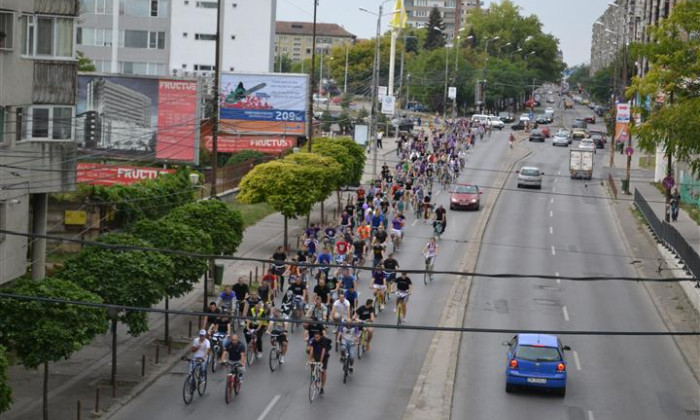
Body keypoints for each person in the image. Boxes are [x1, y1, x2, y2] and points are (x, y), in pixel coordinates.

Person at [307, 331, 330, 395]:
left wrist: (320, 361)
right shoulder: (313, 340)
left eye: (317, 337)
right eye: (315, 337)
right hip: (316, 354)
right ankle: (314, 374)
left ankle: (322, 387)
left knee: (323, 372)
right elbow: (311, 350)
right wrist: (309, 360)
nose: (316, 339)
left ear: (320, 336)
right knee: (312, 363)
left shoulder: (324, 341)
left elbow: (323, 351)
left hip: (324, 356)